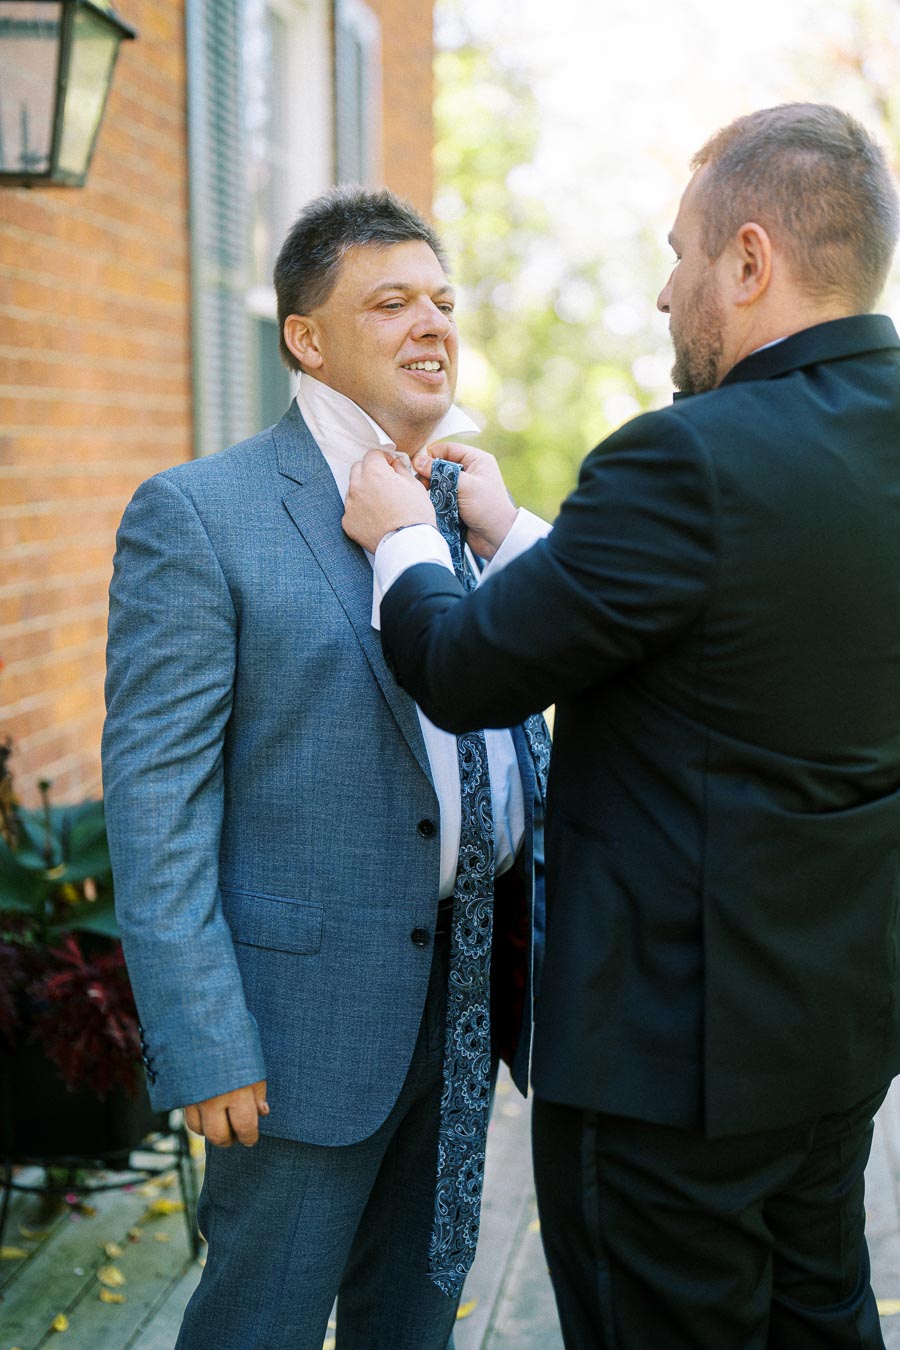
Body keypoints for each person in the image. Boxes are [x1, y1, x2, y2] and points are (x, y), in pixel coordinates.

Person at [341, 103, 900, 1349]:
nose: (664, 294)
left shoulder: (685, 458)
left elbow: (468, 667)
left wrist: (409, 540)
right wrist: (518, 537)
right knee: (824, 1321)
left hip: (667, 1071)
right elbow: (735, 624)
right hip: (834, 1037)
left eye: (681, 254)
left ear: (749, 261)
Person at [101, 185, 546, 1350]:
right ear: (306, 337)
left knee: (414, 1327)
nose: (432, 324)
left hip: (464, 1008)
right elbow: (158, 810)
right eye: (391, 301)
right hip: (295, 1035)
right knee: (259, 1328)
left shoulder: (463, 504)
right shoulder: (200, 516)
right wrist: (203, 1040)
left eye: (444, 301)